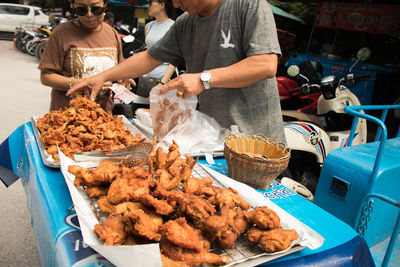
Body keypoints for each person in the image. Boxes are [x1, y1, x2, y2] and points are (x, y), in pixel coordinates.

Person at [68, 0, 285, 143]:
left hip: (257, 144)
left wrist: (203, 79)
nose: (177, 4)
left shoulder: (248, 5)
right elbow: (149, 57)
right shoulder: (186, 23)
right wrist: (102, 76)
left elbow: (265, 64)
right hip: (213, 141)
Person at [38, 0, 126, 114]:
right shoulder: (61, 33)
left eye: (96, 9)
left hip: (103, 115)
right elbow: (46, 77)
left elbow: (118, 72)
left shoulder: (112, 33)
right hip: (66, 116)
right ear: (73, 6)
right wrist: (81, 83)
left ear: (105, 5)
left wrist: (123, 81)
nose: (89, 14)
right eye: (81, 9)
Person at [135, 0, 177, 98]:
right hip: (145, 81)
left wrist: (162, 84)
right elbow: (147, 53)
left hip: (164, 80)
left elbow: (174, 59)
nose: (148, 6)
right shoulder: (149, 26)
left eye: (150, 3)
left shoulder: (174, 26)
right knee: (139, 111)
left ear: (162, 5)